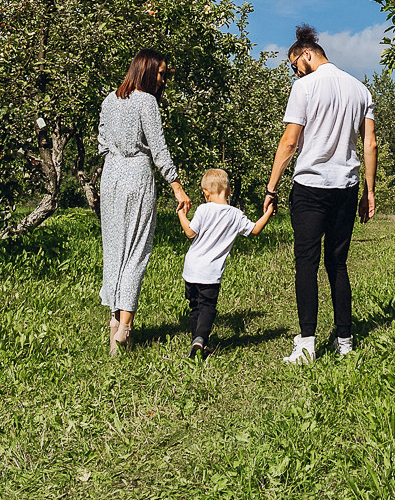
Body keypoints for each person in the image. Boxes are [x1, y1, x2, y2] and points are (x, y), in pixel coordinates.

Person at [261, 24, 375, 364]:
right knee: (337, 264)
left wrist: (271, 187)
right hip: (346, 187)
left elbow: (289, 142)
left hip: (310, 188)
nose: (295, 73)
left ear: (307, 54)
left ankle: (307, 344)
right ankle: (345, 342)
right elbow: (369, 144)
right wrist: (369, 191)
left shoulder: (305, 87)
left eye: (295, 66)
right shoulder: (360, 90)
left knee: (306, 263)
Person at [98, 49, 191, 355]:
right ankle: (124, 330)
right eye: (161, 73)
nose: (163, 79)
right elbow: (159, 149)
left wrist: (115, 158)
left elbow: (102, 143)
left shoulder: (109, 100)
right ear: (148, 71)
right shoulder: (146, 102)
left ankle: (114, 325)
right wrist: (177, 187)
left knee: (114, 252)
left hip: (110, 176)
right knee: (136, 251)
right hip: (137, 176)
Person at [174, 167, 271, 360]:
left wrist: (181, 214)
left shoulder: (203, 209)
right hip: (211, 273)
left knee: (195, 307)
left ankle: (196, 340)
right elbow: (255, 230)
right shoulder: (235, 214)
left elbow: (190, 233)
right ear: (229, 191)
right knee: (207, 306)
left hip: (191, 269)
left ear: (206, 192)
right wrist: (268, 212)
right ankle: (201, 339)